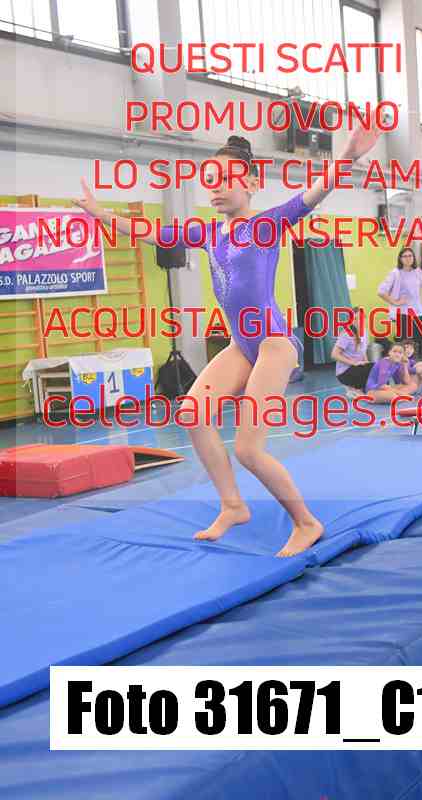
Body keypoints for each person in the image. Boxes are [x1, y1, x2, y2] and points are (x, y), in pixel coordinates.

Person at [74, 118, 383, 558]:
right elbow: (152, 233)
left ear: (252, 183)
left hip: (274, 344)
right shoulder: (208, 232)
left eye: (226, 179)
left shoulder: (267, 224)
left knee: (248, 449)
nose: (215, 188)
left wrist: (347, 156)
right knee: (192, 414)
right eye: (211, 180)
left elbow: (314, 194)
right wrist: (100, 213)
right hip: (242, 345)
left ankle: (306, 522)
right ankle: (233, 505)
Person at [377, 247, 422, 389]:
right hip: (404, 316)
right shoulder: (395, 273)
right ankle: (397, 381)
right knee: (403, 349)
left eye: (410, 256)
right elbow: (381, 291)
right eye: (405, 256)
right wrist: (395, 302)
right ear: (400, 258)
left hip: (419, 315)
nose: (408, 258)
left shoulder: (417, 272)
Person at [331, 309, 371, 394]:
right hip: (345, 372)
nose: (358, 321)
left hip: (358, 368)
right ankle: (352, 388)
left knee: (376, 368)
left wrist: (367, 363)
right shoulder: (347, 334)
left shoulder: (365, 332)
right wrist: (354, 363)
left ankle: (357, 389)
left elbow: (363, 351)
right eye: (355, 318)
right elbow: (334, 354)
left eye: (361, 318)